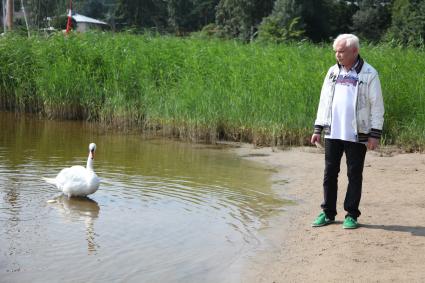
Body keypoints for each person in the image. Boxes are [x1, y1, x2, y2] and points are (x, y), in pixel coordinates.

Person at [310, 34, 384, 229]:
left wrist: (374, 134)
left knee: (354, 174)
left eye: (341, 51)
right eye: (336, 51)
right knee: (329, 173)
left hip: (357, 133)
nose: (338, 55)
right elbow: (324, 101)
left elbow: (377, 106)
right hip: (333, 132)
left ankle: (351, 214)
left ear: (354, 51)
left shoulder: (369, 73)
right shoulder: (332, 72)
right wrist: (318, 128)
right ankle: (328, 213)